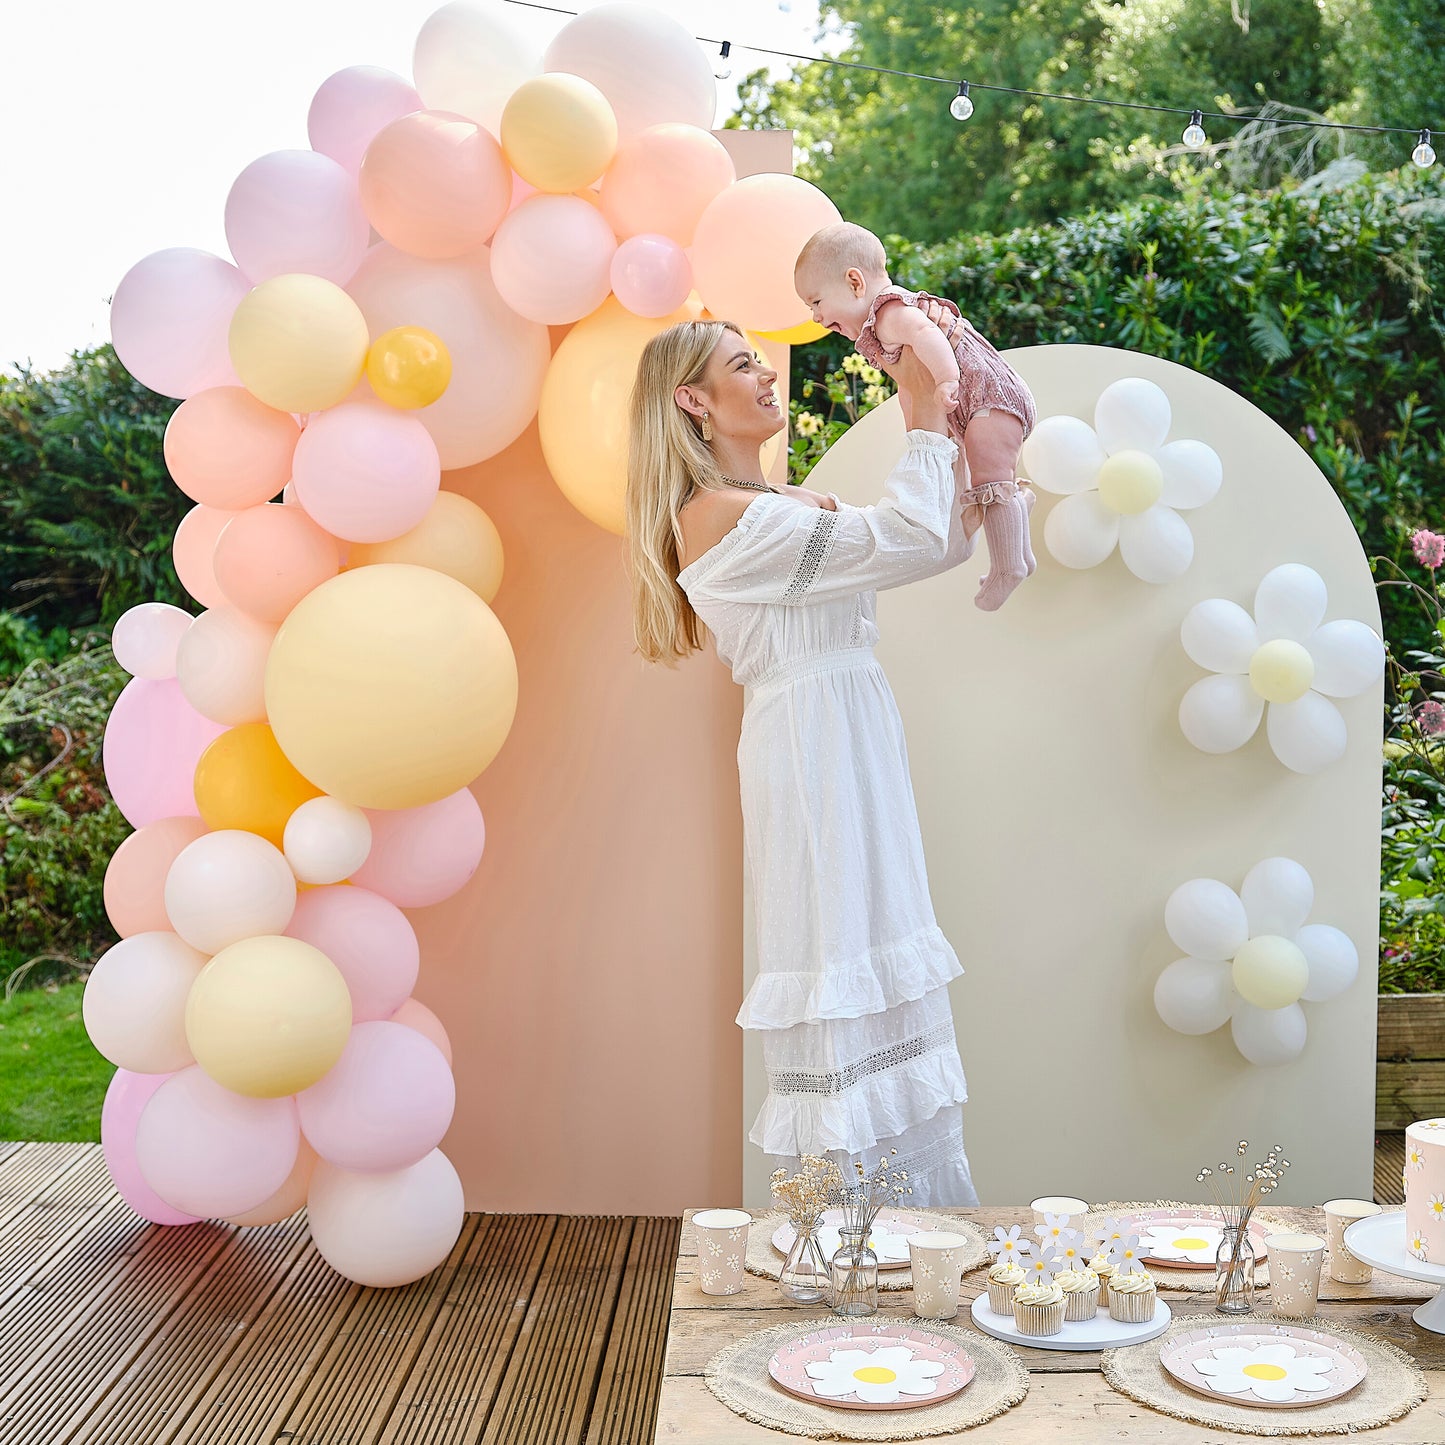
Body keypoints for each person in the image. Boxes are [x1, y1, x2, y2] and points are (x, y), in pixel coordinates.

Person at [625, 317, 978, 1205]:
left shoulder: (771, 508)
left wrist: (980, 462)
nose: (768, 377)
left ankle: (904, 1233)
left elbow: (932, 541)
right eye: (743, 365)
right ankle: (853, 1233)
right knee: (835, 941)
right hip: (813, 749)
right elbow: (902, 535)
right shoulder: (721, 517)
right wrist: (921, 408)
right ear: (693, 401)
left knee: (870, 935)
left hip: (849, 733)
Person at [795, 220, 1038, 612]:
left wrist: (945, 380)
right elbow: (909, 390)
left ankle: (1007, 567)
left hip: (990, 398)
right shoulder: (880, 329)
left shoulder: (889, 312)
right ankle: (1017, 537)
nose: (816, 318)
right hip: (977, 406)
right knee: (989, 480)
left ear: (855, 283)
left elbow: (929, 336)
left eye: (817, 302)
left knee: (990, 477)